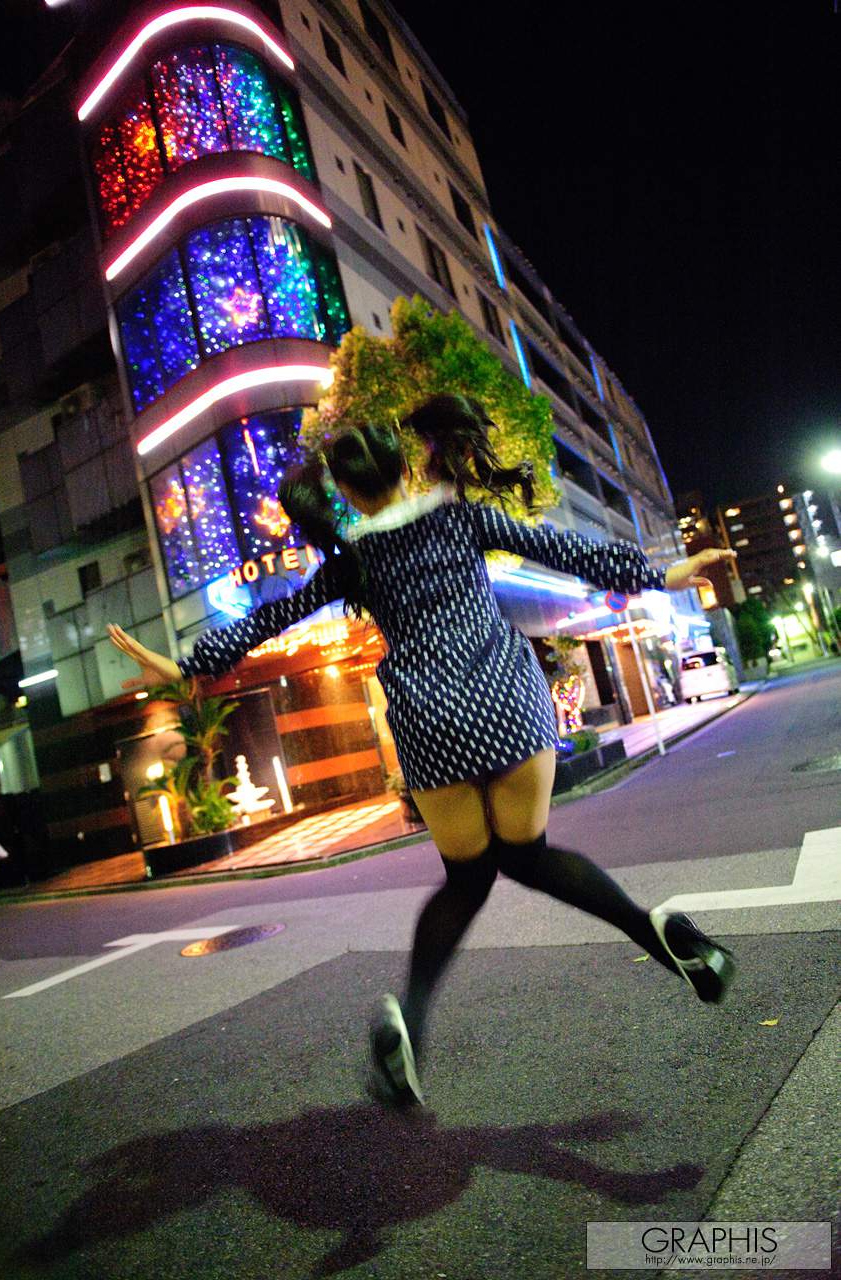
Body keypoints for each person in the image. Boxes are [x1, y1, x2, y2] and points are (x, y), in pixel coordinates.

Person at [108, 393, 737, 1108]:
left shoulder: (354, 560)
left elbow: (270, 617)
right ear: (404, 468)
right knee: (526, 855)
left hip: (431, 720)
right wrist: (663, 575)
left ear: (347, 495)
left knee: (468, 878)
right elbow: (569, 551)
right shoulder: (462, 517)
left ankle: (409, 1016)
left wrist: (186, 665)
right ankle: (657, 934)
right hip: (504, 698)